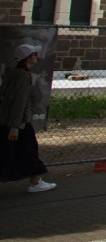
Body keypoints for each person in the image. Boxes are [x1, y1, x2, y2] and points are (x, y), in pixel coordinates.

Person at [1, 44, 55, 192]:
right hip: (19, 123)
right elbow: (19, 102)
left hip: (13, 121)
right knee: (29, 150)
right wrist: (15, 126)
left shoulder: (13, 74)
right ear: (28, 58)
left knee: (17, 151)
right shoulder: (22, 77)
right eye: (34, 54)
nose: (36, 57)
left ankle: (35, 179)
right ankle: (35, 181)